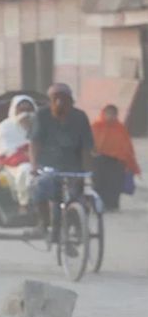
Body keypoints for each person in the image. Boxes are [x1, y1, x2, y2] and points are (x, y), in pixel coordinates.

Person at [29, 83, 95, 237]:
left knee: (78, 197)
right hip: (48, 164)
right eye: (55, 99)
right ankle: (43, 223)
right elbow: (34, 142)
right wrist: (34, 165)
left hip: (73, 165)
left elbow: (86, 146)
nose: (59, 103)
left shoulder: (80, 117)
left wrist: (88, 171)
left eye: (63, 99)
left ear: (71, 101)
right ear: (50, 101)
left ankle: (78, 225)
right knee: (40, 187)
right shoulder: (42, 115)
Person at [91, 104, 141, 211]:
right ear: (103, 114)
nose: (110, 116)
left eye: (113, 114)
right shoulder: (96, 126)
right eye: (108, 113)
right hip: (99, 161)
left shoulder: (120, 129)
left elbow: (127, 148)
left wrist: (131, 164)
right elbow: (89, 144)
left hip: (117, 163)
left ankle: (113, 206)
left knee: (115, 186)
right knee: (99, 184)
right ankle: (98, 205)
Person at [0, 95, 37, 210]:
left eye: (29, 110)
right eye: (22, 110)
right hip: (12, 166)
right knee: (25, 169)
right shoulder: (5, 127)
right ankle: (24, 203)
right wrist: (26, 155)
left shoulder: (40, 125)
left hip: (38, 161)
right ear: (14, 111)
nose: (26, 114)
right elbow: (5, 152)